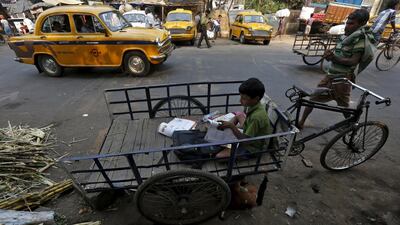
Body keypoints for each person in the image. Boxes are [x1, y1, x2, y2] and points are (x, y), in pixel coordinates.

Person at [298, 9, 376, 129]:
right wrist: (330, 54)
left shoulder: (360, 40)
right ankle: (301, 122)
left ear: (361, 24)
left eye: (351, 24)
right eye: (347, 23)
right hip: (330, 76)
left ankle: (352, 126)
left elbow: (353, 61)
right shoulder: (346, 37)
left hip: (343, 79)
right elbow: (338, 54)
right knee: (313, 97)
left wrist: (334, 58)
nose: (347, 26)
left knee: (343, 105)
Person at [216, 78, 272, 158]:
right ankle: (225, 133)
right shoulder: (254, 105)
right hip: (248, 131)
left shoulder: (256, 117)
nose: (240, 101)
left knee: (219, 156)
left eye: (244, 98)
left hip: (253, 147)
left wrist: (232, 127)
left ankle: (227, 134)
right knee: (239, 115)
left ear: (256, 98)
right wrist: (231, 126)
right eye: (241, 97)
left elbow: (245, 141)